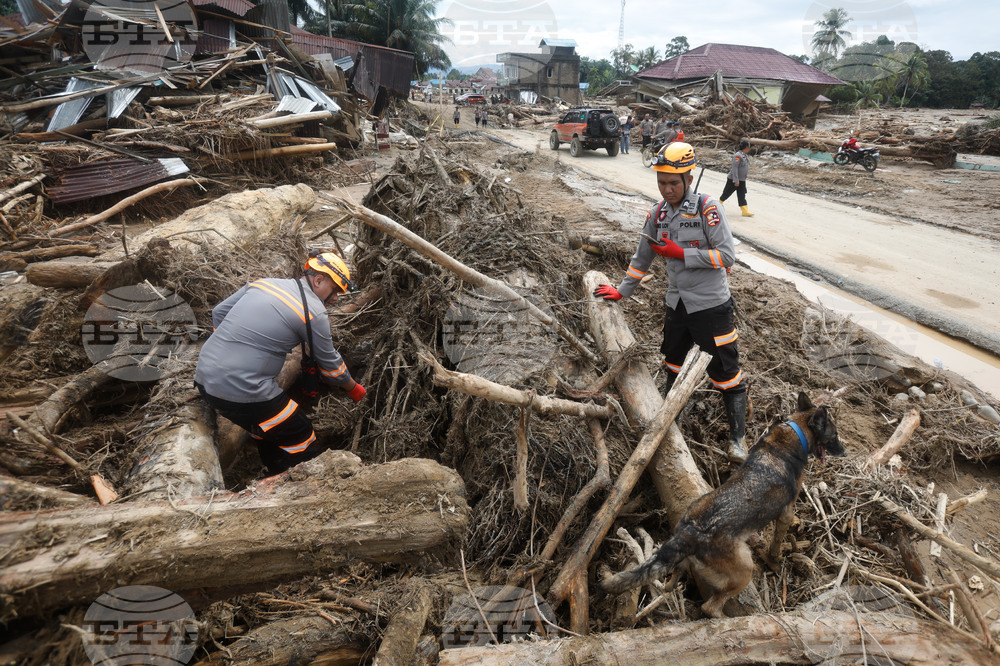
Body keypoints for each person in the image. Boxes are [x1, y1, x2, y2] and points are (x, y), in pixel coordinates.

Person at [592, 143, 749, 462]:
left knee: (726, 374)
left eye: (673, 182)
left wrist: (682, 254)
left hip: (711, 307)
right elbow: (641, 259)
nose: (667, 188)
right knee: (673, 365)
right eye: (662, 181)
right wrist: (622, 291)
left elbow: (728, 256)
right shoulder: (657, 214)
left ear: (689, 178)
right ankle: (671, 426)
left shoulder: (707, 209)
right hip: (677, 307)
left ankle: (737, 441)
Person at [194, 252, 367, 474]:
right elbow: (332, 368)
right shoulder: (313, 312)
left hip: (204, 378)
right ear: (319, 280)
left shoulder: (263, 284)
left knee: (265, 427)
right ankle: (306, 488)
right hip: (243, 390)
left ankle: (275, 473)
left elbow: (219, 313)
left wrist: (232, 349)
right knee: (301, 435)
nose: (335, 298)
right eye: (335, 291)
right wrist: (354, 389)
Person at [719, 139, 754, 217]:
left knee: (742, 195)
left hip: (742, 180)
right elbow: (735, 168)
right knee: (726, 193)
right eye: (749, 146)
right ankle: (718, 204)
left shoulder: (744, 155)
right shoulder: (737, 156)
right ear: (746, 147)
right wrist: (736, 180)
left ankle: (745, 211)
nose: (749, 148)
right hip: (734, 179)